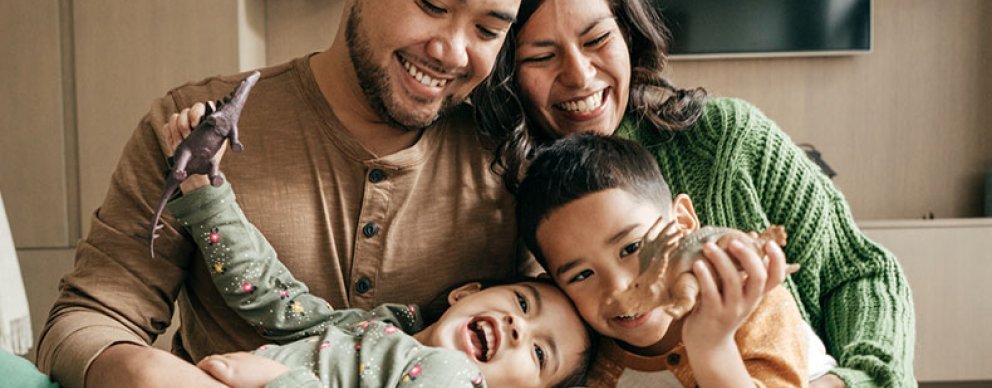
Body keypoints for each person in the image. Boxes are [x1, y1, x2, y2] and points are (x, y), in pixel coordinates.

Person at [36, 1, 528, 387]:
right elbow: (90, 315)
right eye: (433, 5)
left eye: (487, 30)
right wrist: (132, 371)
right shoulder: (191, 123)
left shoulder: (513, 169)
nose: (453, 52)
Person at [472, 0, 916, 386]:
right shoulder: (491, 184)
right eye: (541, 56)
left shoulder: (727, 139)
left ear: (627, 33)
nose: (579, 74)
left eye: (597, 39)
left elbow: (859, 272)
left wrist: (849, 383)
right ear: (505, 67)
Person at [160, 125, 593, 388]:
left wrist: (279, 381)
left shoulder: (455, 376)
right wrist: (207, 194)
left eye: (539, 354)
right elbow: (272, 298)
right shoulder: (379, 333)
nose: (519, 328)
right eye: (522, 303)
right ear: (465, 293)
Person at [517, 132, 808, 387]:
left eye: (631, 248)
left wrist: (712, 349)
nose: (618, 285)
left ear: (682, 222)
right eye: (581, 275)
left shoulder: (755, 306)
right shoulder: (587, 366)